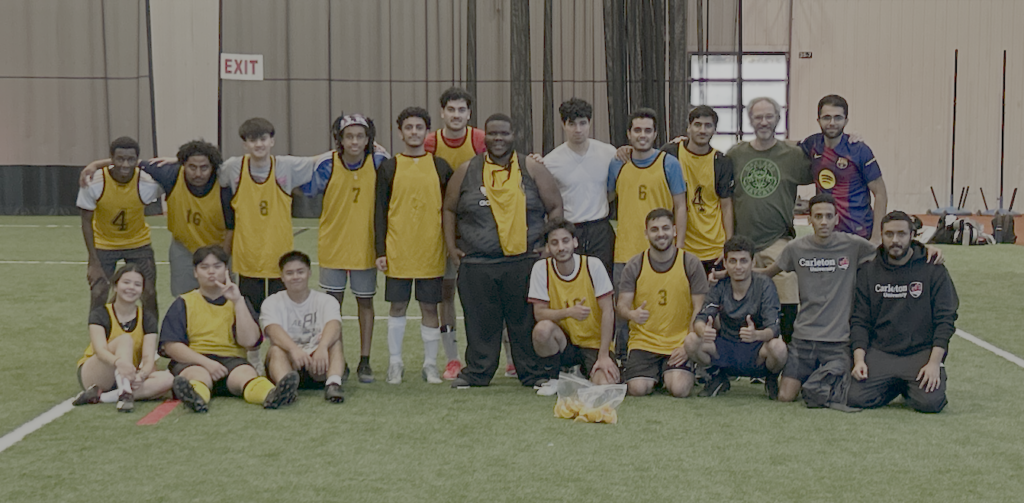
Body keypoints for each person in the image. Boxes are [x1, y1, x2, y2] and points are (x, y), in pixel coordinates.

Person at [758, 194, 942, 402]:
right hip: (804, 339)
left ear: (837, 218)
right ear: (809, 219)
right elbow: (767, 273)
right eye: (818, 216)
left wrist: (922, 248)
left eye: (829, 216)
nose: (824, 222)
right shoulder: (795, 249)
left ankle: (819, 379)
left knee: (832, 394)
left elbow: (892, 249)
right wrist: (733, 272)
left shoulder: (853, 245)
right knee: (785, 397)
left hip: (838, 342)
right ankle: (798, 378)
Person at [445, 113, 564, 388]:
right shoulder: (467, 169)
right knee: (479, 324)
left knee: (523, 323)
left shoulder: (531, 168)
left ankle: (532, 373)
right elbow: (449, 209)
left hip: (523, 261)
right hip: (477, 262)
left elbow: (555, 206)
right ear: (483, 136)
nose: (498, 139)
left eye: (504, 134)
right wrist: (452, 248)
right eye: (493, 134)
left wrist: (549, 244)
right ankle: (477, 372)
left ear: (514, 136)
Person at [220, 117, 329, 373]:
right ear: (244, 143)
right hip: (248, 256)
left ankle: (280, 357)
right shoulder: (233, 168)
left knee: (283, 312)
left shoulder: (286, 166)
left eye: (263, 139)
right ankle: (254, 359)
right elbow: (205, 166)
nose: (258, 144)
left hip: (281, 257)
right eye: (252, 139)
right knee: (250, 312)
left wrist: (352, 150)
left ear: (272, 141)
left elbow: (317, 161)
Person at [80, 140, 234, 297]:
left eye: (204, 168)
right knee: (184, 298)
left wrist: (222, 260)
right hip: (184, 247)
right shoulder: (170, 174)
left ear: (212, 167)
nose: (198, 174)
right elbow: (131, 163)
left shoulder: (223, 184)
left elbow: (231, 228)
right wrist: (96, 165)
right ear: (183, 166)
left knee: (224, 297)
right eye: (192, 167)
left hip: (220, 247)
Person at [160, 245, 297, 412]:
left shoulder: (239, 301)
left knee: (246, 374)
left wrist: (238, 301)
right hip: (195, 360)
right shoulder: (184, 302)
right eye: (204, 267)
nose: (211, 272)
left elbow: (250, 342)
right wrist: (207, 363)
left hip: (231, 361)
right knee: (198, 375)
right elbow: (171, 346)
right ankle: (196, 398)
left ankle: (272, 395)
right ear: (195, 272)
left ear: (226, 270)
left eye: (217, 266)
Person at [301, 114, 386, 384]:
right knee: (332, 305)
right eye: (349, 136)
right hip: (333, 244)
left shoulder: (379, 161)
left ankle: (365, 360)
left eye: (360, 136)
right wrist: (318, 157)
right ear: (339, 139)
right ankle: (336, 357)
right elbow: (306, 185)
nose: (355, 141)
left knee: (365, 302)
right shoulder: (327, 164)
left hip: (365, 246)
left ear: (368, 139)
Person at [847, 211, 958, 413]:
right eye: (889, 234)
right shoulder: (868, 271)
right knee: (855, 397)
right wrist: (859, 361)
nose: (895, 240)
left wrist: (934, 363)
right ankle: (898, 383)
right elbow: (859, 320)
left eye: (901, 234)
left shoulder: (932, 268)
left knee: (930, 404)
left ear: (912, 235)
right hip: (881, 352)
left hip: (920, 352)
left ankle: (912, 384)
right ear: (881, 235)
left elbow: (946, 320)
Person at [375, 107, 453, 385]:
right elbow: (379, 211)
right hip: (399, 250)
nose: (414, 132)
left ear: (426, 131)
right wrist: (380, 251)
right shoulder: (389, 167)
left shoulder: (440, 166)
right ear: (400, 132)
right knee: (397, 307)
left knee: (429, 308)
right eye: (408, 127)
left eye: (419, 127)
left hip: (431, 251)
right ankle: (395, 362)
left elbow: (450, 210)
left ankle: (430, 365)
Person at [726, 97, 812, 342]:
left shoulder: (793, 156)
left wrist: (852, 140)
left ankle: (785, 351)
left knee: (787, 292)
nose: (763, 122)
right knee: (742, 297)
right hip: (743, 242)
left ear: (778, 118)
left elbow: (829, 164)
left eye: (769, 116)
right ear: (750, 120)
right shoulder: (735, 154)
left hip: (778, 239)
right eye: (758, 117)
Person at [607, 108, 687, 359]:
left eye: (648, 131)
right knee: (624, 308)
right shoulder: (617, 163)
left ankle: (670, 357)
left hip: (662, 251)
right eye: (637, 130)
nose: (642, 135)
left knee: (664, 306)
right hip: (626, 250)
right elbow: (607, 198)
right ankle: (622, 359)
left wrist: (679, 246)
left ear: (655, 134)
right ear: (629, 134)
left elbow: (681, 206)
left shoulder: (669, 163)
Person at [424, 87, 486, 380]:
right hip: (441, 229)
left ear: (469, 114)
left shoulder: (480, 140)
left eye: (462, 110)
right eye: (451, 110)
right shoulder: (429, 142)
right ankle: (451, 359)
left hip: (477, 228)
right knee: (445, 294)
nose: (456, 115)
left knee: (490, 293)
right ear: (442, 112)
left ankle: (509, 357)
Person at [616, 208, 708, 398]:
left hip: (678, 342)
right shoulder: (635, 264)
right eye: (655, 229)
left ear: (674, 230)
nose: (661, 234)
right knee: (637, 389)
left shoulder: (690, 263)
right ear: (646, 233)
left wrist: (687, 346)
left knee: (679, 389)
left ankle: (669, 374)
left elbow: (700, 308)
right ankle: (654, 374)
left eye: (665, 228)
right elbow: (621, 306)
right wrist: (631, 314)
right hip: (644, 342)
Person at [684, 235, 786, 399]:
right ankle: (717, 377)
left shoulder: (764, 285)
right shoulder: (720, 286)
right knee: (691, 340)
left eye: (743, 261)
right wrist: (703, 331)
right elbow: (701, 318)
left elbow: (774, 328)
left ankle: (771, 378)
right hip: (726, 348)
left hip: (756, 350)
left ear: (753, 263)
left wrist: (756, 335)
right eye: (733, 261)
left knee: (778, 347)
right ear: (725, 263)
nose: (738, 266)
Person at [77, 136, 161, 321]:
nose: (125, 164)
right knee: (99, 292)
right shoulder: (93, 181)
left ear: (137, 161)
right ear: (111, 159)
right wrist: (92, 261)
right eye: (119, 159)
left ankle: (152, 341)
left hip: (138, 243)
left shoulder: (147, 183)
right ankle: (98, 342)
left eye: (131, 159)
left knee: (149, 292)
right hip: (104, 244)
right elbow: (86, 221)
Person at [528, 217, 618, 386]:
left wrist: (604, 355)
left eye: (565, 241)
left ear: (575, 242)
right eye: (554, 243)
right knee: (542, 330)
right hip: (565, 343)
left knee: (605, 385)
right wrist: (569, 312)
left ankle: (584, 372)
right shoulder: (541, 269)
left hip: (594, 344)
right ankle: (554, 378)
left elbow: (608, 311)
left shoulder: (593, 265)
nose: (561, 247)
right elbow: (539, 313)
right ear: (548, 247)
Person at [73, 264, 173, 412]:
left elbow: (148, 358)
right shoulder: (101, 314)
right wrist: (120, 363)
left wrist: (142, 375)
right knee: (125, 339)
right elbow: (100, 351)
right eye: (126, 282)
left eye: (137, 284)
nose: (131, 287)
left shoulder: (147, 318)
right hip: (98, 372)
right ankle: (125, 392)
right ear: (115, 286)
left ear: (142, 290)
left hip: (127, 373)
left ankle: (102, 397)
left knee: (168, 379)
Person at [541, 98, 618, 275]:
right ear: (563, 125)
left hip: (600, 229)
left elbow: (614, 188)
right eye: (572, 124)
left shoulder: (608, 153)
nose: (578, 129)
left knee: (603, 281)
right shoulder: (550, 161)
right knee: (572, 280)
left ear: (589, 123)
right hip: (569, 229)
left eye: (583, 123)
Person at [261, 251, 346, 403]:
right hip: (289, 361)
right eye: (289, 273)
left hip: (318, 362)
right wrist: (294, 349)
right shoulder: (272, 302)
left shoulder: (326, 300)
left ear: (309, 273)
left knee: (335, 343)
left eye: (300, 272)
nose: (295, 277)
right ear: (282, 277)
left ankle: (333, 384)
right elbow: (273, 330)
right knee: (275, 349)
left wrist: (322, 347)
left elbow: (334, 325)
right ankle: (286, 388)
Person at [800, 95, 887, 242]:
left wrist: (877, 237)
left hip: (859, 232)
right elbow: (786, 147)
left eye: (838, 118)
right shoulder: (813, 144)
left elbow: (880, 193)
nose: (832, 123)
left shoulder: (859, 150)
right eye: (827, 117)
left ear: (846, 121)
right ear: (818, 120)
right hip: (827, 234)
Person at [658, 105, 735, 275]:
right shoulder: (670, 153)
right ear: (688, 127)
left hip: (713, 248)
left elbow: (726, 206)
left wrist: (728, 246)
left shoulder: (721, 161)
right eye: (697, 124)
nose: (702, 130)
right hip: (679, 246)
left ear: (714, 130)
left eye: (708, 126)